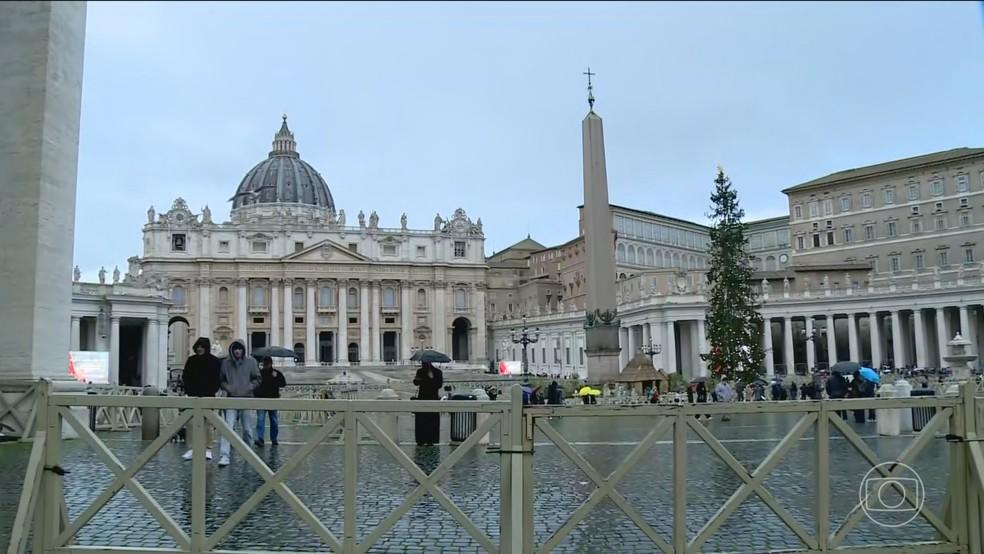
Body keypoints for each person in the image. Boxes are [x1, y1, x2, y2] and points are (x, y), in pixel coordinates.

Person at [217, 340, 261, 467]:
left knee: (247, 429)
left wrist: (249, 387)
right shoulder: (225, 363)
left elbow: (257, 378)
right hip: (231, 399)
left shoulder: (251, 362)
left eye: (239, 349)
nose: (237, 351)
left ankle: (249, 453)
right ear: (232, 349)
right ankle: (224, 455)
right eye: (235, 349)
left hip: (247, 398)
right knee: (227, 428)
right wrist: (228, 388)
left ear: (243, 350)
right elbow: (222, 380)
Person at [181, 337, 221, 461]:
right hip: (193, 395)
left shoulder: (215, 361)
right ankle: (192, 448)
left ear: (206, 348)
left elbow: (217, 379)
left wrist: (212, 391)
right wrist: (189, 391)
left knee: (208, 424)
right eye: (198, 347)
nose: (199, 349)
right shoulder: (191, 360)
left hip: (208, 395)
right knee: (191, 423)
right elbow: (185, 376)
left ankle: (208, 448)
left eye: (202, 347)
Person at [254, 356, 287, 447]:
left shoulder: (276, 373)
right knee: (260, 420)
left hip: (272, 400)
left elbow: (283, 384)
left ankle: (274, 439)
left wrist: (276, 378)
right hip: (262, 400)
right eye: (265, 364)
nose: (266, 365)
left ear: (270, 364)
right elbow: (255, 386)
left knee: (274, 421)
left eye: (267, 364)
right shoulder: (259, 373)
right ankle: (260, 438)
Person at [413, 362, 443, 446]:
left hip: (433, 398)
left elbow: (439, 385)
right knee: (421, 421)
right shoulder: (420, 371)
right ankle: (420, 439)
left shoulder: (438, 372)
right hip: (422, 398)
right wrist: (417, 380)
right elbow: (415, 383)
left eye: (424, 363)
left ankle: (431, 440)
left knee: (432, 420)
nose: (422, 364)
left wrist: (431, 378)